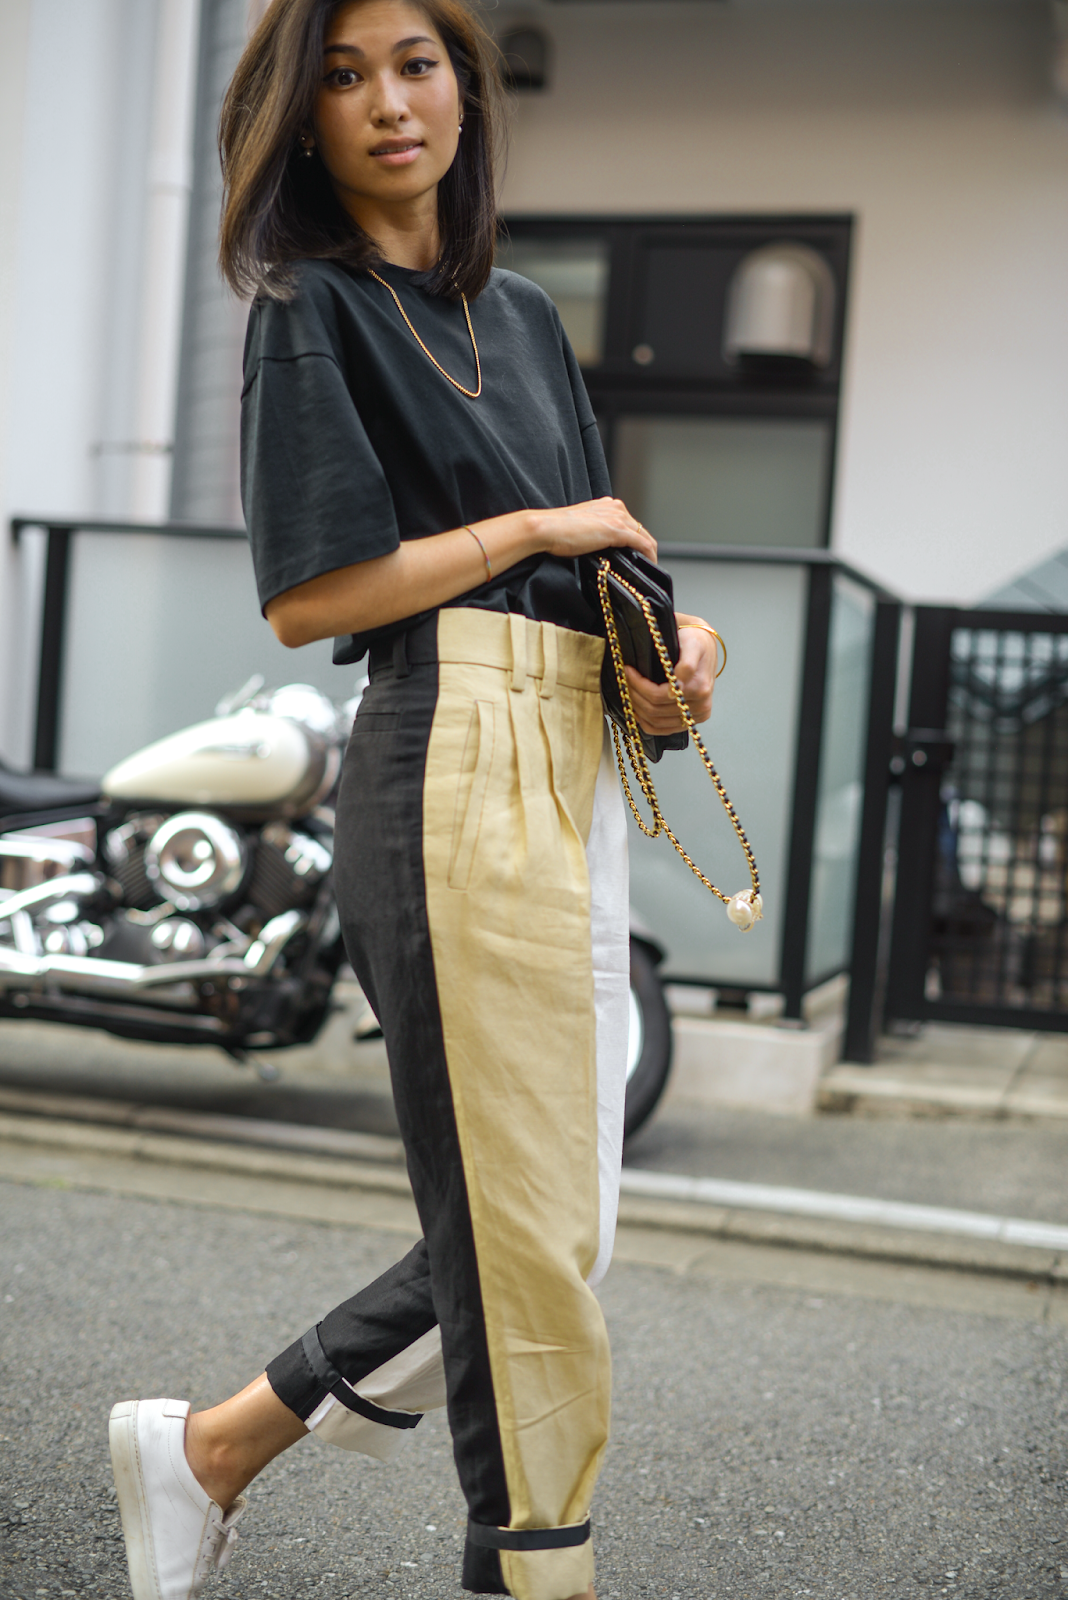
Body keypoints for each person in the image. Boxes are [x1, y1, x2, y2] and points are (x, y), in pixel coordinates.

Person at [107, 3, 719, 1599]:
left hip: (569, 759)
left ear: (467, 83)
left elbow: (613, 557)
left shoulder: (517, 313)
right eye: (344, 76)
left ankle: (216, 1445)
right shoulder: (309, 305)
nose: (390, 103)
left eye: (418, 63)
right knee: (520, 1248)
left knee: (554, 1226)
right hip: (442, 753)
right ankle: (535, 1572)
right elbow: (312, 599)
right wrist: (532, 533)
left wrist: (679, 647)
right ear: (300, 124)